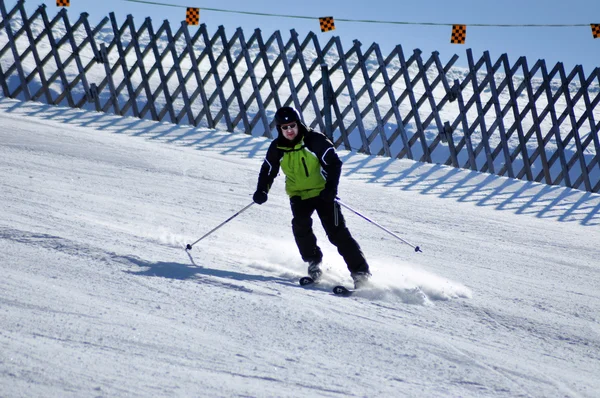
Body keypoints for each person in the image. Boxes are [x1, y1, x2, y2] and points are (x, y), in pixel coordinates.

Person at [252, 106, 371, 289]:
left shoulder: (314, 140)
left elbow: (334, 163)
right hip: (298, 194)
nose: (289, 130)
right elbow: (268, 169)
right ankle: (314, 262)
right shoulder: (278, 147)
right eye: (284, 127)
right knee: (300, 226)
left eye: (292, 125)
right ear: (279, 129)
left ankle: (360, 273)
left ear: (299, 124)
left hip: (322, 193)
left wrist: (330, 189)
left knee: (337, 232)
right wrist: (262, 190)